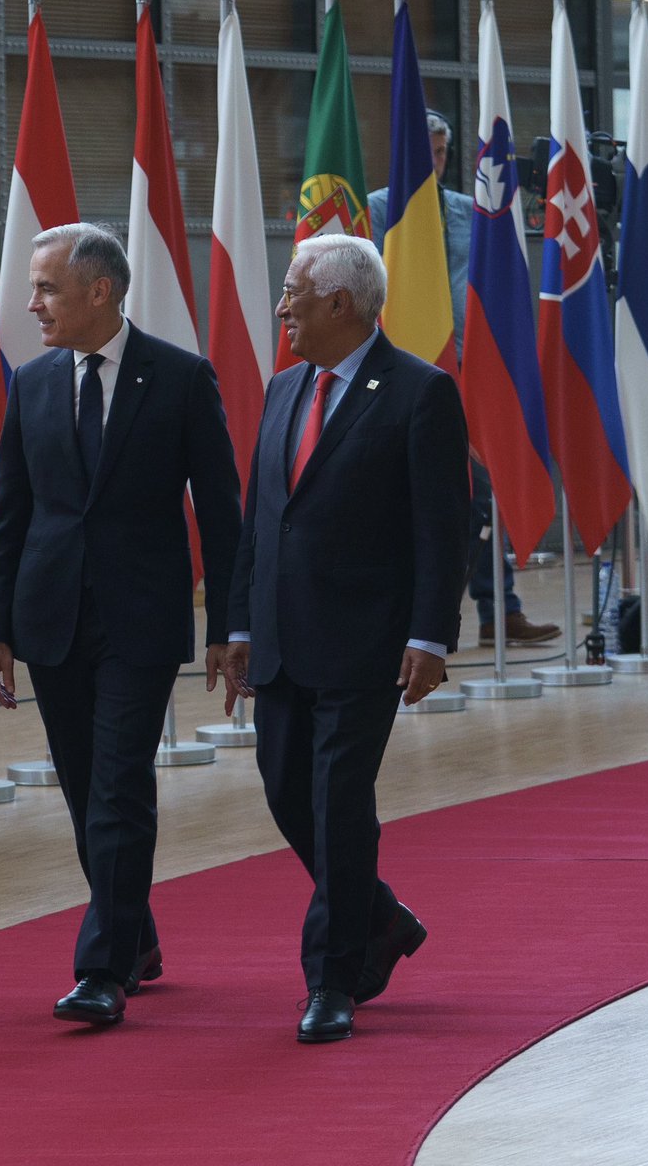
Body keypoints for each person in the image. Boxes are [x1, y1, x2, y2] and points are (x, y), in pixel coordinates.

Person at [0, 223, 242, 1027]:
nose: (32, 305)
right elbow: (9, 513)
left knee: (120, 785)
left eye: (47, 289)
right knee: (85, 786)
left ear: (101, 292)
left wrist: (229, 627)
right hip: (49, 617)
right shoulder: (30, 382)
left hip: (140, 618)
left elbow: (224, 516)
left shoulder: (182, 377)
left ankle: (102, 969)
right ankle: (137, 935)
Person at [223, 234, 469, 1043]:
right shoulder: (284, 387)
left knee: (336, 803)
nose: (282, 305)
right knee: (286, 792)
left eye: (294, 291)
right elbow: (262, 521)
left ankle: (333, 979)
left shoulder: (419, 392)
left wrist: (431, 636)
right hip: (283, 639)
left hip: (366, 641)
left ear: (340, 302)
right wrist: (237, 625)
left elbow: (443, 528)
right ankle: (383, 917)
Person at [368, 111, 560, 648]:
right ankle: (424, 617)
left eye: (439, 154)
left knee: (480, 491)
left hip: (467, 370)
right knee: (430, 500)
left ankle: (499, 610)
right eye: (423, 152)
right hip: (401, 372)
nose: (432, 162)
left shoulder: (466, 211)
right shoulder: (378, 209)